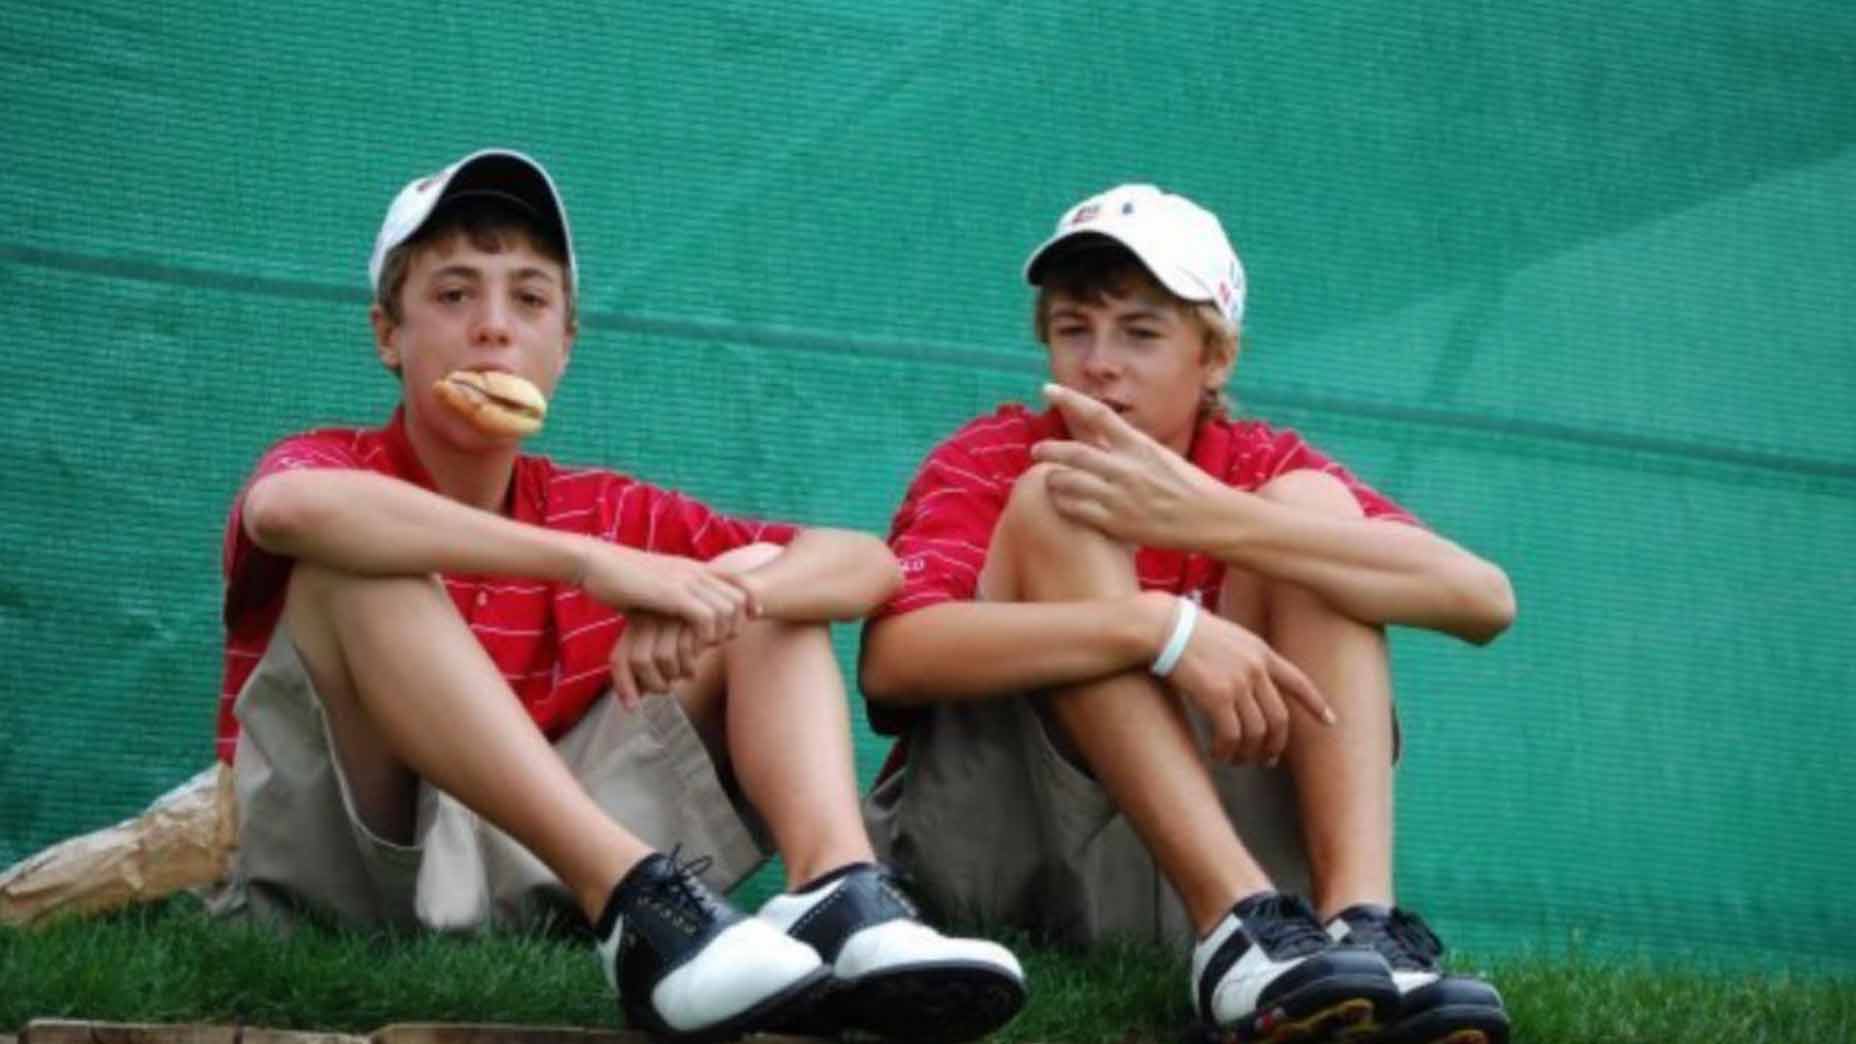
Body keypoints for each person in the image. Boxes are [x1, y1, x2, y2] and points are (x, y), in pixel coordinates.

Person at [215, 148, 1024, 1044]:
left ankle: (838, 897)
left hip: (525, 869)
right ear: (386, 334)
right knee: (353, 566)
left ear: (565, 344)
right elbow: (285, 510)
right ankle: (638, 909)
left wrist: (722, 600)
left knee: (763, 578)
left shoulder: (601, 503)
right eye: (453, 295)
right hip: (355, 870)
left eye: (529, 299)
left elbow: (865, 564)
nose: (494, 328)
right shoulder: (335, 466)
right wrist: (593, 568)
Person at [860, 184, 1514, 1044]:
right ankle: (1233, 926)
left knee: (1312, 516)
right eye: (1072, 329)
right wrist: (1162, 629)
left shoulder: (1260, 462)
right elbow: (893, 661)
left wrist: (1203, 516)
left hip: (1260, 900)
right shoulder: (994, 453)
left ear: (1215, 359)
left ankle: (1363, 928)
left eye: (1140, 332)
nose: (1099, 363)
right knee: (1060, 495)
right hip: (1010, 857)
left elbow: (1483, 600)